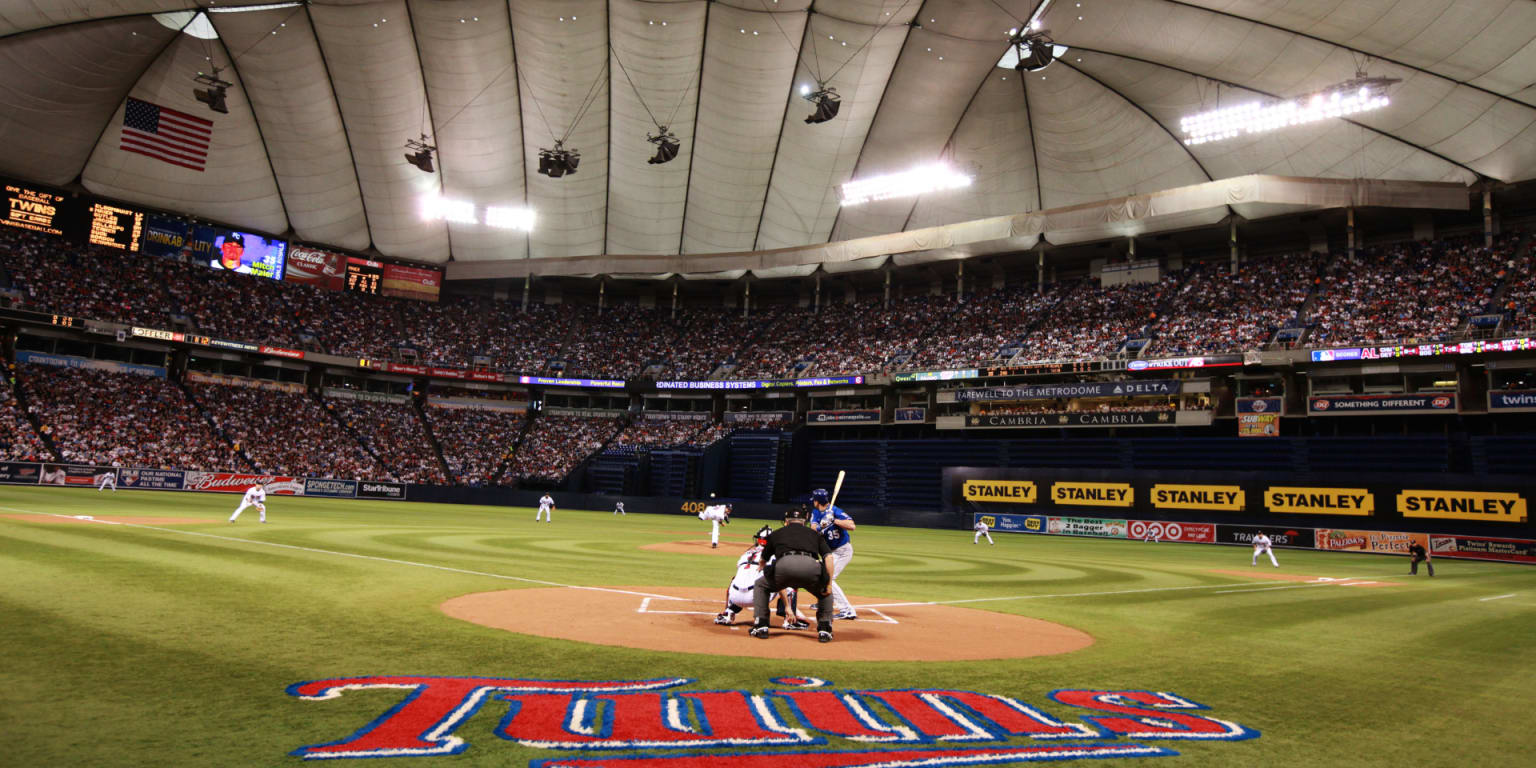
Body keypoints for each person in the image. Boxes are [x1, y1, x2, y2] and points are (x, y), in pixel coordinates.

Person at [750, 505, 836, 642]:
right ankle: (825, 629)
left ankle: (761, 625)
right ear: (804, 521)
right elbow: (829, 558)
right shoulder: (815, 534)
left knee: (761, 585)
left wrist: (763, 567)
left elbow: (763, 559)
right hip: (810, 568)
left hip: (784, 568)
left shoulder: (776, 533)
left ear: (786, 521)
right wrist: (829, 583)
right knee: (825, 592)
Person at [715, 526, 810, 629]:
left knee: (735, 579)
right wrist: (787, 606)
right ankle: (789, 620)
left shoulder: (746, 553)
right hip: (756, 598)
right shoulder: (774, 555)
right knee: (789, 581)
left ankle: (728, 613)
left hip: (735, 598)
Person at [808, 488, 857, 619]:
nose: (813, 502)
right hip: (829, 552)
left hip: (842, 551)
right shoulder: (816, 512)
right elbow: (813, 529)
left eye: (814, 501)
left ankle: (847, 610)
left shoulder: (836, 511)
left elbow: (852, 526)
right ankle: (823, 601)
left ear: (818, 501)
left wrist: (834, 520)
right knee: (820, 575)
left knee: (829, 578)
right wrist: (821, 525)